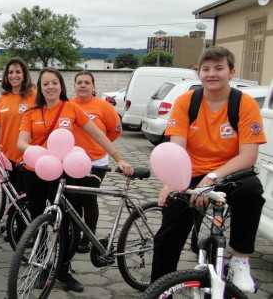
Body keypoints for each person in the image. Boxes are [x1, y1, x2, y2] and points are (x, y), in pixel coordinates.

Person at [151, 46, 266, 293]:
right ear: (199, 73)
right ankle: (160, 290)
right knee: (166, 236)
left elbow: (248, 155)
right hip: (190, 173)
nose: (211, 73)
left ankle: (241, 259)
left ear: (231, 71)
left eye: (218, 68)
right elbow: (177, 149)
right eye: (205, 69)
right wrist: (172, 182)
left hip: (230, 173)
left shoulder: (244, 103)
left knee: (252, 193)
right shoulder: (186, 102)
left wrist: (211, 179)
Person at [17, 68, 133, 292]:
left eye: (54, 83)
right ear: (40, 88)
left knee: (67, 223)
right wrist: (39, 152)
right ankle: (41, 267)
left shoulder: (71, 108)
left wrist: (119, 159)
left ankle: (62, 269)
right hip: (35, 170)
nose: (50, 87)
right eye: (45, 84)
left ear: (61, 86)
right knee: (39, 220)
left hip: (62, 172)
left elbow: (97, 134)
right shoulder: (31, 112)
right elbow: (21, 142)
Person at [69, 71, 123, 253]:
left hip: (96, 161)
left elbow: (115, 131)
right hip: (71, 160)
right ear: (74, 86)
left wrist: (99, 146)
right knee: (73, 201)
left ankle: (87, 239)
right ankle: (74, 236)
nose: (83, 86)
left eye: (87, 83)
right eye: (79, 82)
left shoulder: (104, 107)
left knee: (89, 199)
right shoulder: (67, 105)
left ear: (94, 87)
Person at [0, 57, 36, 192]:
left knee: (25, 196)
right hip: (7, 157)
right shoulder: (3, 98)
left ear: (24, 75)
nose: (14, 76)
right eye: (10, 72)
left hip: (26, 156)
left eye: (18, 72)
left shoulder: (34, 95)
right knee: (14, 198)